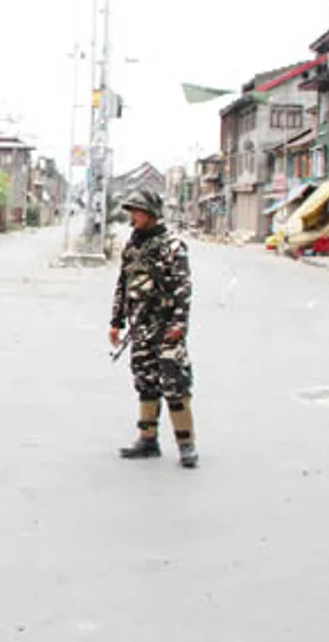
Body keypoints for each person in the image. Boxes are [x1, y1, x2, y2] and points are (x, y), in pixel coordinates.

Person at [108, 189, 198, 467]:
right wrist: (116, 322)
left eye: (137, 211)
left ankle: (186, 445)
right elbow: (123, 286)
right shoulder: (132, 246)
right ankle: (148, 440)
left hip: (166, 325)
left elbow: (183, 288)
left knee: (174, 383)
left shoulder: (173, 246)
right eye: (131, 211)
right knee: (145, 380)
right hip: (141, 326)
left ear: (150, 214)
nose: (132, 217)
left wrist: (179, 324)